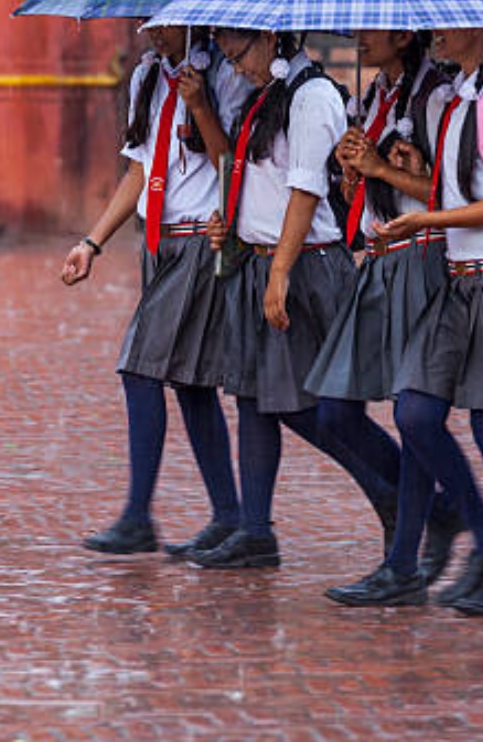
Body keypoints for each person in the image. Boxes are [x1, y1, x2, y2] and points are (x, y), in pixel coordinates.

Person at [332, 26, 483, 616]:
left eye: (451, 25)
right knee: (416, 411)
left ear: (480, 32)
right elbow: (456, 183)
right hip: (463, 278)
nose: (438, 32)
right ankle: (482, 539)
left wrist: (422, 216)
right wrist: (399, 168)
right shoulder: (461, 99)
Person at [63, 24, 246, 558]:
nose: (152, 32)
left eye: (164, 22)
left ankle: (138, 516)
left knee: (140, 369)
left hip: (197, 242)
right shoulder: (149, 75)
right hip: (158, 244)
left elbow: (230, 163)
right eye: (147, 21)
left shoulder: (225, 76)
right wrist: (93, 242)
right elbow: (141, 169)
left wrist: (202, 106)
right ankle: (229, 514)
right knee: (191, 384)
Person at [301, 30, 466, 597]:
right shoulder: (373, 98)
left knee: (411, 410)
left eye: (369, 31)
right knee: (334, 412)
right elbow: (358, 200)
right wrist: (352, 173)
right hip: (378, 261)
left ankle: (403, 563)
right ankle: (439, 512)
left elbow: (456, 197)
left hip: (423, 259)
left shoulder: (439, 99)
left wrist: (383, 169)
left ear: (401, 35)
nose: (358, 39)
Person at [190, 29, 360, 570]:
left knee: (311, 409)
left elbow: (306, 191)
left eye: (238, 54)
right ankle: (256, 529)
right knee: (254, 400)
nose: (234, 68)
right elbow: (254, 176)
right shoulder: (264, 95)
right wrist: (233, 225)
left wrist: (280, 271)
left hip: (305, 265)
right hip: (260, 259)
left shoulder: (312, 97)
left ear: (270, 39)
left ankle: (399, 489)